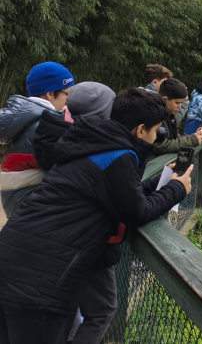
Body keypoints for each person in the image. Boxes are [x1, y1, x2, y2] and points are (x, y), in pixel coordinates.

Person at [0, 88, 192, 344]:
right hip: (40, 281)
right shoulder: (118, 155)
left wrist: (162, 181)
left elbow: (121, 196)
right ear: (140, 129)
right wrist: (178, 189)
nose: (157, 136)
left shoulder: (92, 143)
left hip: (15, 260)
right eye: (156, 130)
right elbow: (137, 211)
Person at [31, 81, 118, 344]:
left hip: (46, 240)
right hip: (80, 242)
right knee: (101, 310)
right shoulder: (99, 149)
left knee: (68, 306)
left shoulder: (59, 140)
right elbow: (129, 203)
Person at [0, 61, 75, 216]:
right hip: (30, 203)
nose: (68, 101)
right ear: (50, 94)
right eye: (67, 94)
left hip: (15, 198)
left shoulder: (23, 119)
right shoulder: (44, 125)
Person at [150, 78, 202, 160]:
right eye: (177, 103)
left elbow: (172, 139)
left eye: (181, 103)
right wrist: (192, 139)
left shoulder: (171, 114)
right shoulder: (154, 115)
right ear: (164, 99)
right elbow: (160, 146)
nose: (179, 106)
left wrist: (193, 136)